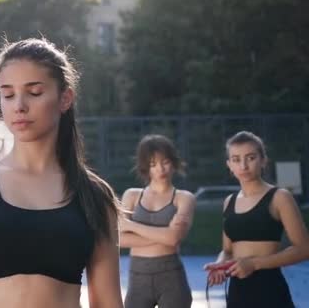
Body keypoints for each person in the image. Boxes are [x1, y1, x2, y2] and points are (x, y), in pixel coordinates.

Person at [0, 38, 123, 308]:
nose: (19, 106)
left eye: (34, 92)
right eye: (8, 94)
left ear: (65, 98)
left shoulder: (93, 194)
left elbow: (108, 302)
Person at [204, 131, 309, 307]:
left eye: (250, 158)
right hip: (237, 292)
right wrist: (220, 265)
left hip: (270, 290)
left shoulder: (280, 197)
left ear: (263, 160)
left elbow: (304, 249)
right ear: (229, 165)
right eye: (236, 159)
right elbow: (228, 250)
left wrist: (254, 264)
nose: (243, 166)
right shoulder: (229, 201)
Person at [119, 134, 195, 308]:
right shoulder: (132, 195)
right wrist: (165, 235)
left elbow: (174, 239)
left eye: (165, 162)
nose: (160, 169)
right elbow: (119, 239)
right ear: (146, 167)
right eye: (153, 164)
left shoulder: (184, 198)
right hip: (137, 280)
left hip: (171, 278)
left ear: (173, 162)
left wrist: (131, 226)